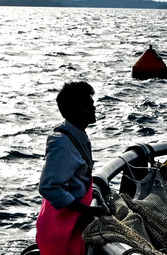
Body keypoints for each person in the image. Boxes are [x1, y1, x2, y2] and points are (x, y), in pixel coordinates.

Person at [35, 81, 109, 255]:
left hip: (73, 226)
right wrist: (88, 210)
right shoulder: (61, 142)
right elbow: (48, 187)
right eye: (86, 106)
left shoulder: (78, 136)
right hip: (60, 230)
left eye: (92, 104)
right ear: (68, 110)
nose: (93, 109)